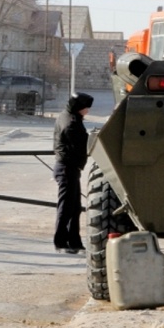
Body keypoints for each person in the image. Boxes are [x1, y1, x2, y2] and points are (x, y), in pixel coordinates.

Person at [53, 92, 94, 254]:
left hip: (67, 167)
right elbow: (81, 144)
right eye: (86, 108)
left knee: (74, 207)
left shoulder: (67, 116)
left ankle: (73, 242)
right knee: (67, 207)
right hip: (67, 168)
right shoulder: (72, 123)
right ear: (79, 108)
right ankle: (61, 242)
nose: (88, 111)